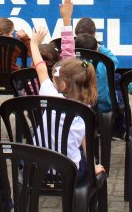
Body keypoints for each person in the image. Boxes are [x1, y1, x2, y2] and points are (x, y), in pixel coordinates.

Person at [28, 25, 105, 181]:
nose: (52, 77)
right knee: (91, 168)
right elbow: (86, 143)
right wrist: (93, 165)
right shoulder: (86, 110)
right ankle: (90, 203)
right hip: (69, 171)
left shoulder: (50, 94)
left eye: (55, 76)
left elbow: (41, 69)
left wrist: (33, 44)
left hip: (38, 167)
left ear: (63, 85)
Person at [75, 33, 120, 114]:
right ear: (97, 50)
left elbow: (84, 64)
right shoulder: (104, 66)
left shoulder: (72, 68)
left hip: (81, 107)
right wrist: (100, 47)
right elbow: (114, 60)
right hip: (105, 107)